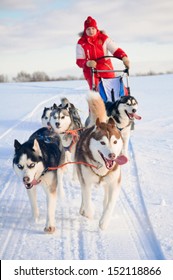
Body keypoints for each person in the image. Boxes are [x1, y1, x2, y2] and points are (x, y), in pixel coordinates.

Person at [76, 16, 130, 90]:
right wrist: (87, 63)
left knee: (115, 87)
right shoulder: (81, 43)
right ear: (85, 30)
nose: (91, 31)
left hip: (106, 68)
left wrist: (124, 57)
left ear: (96, 28)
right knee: (97, 90)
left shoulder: (104, 38)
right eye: (88, 29)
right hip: (91, 71)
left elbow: (115, 50)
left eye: (93, 28)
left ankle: (124, 99)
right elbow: (79, 61)